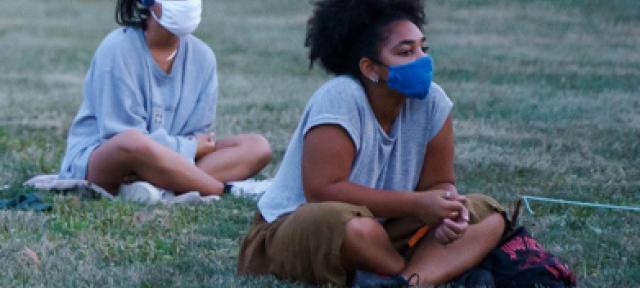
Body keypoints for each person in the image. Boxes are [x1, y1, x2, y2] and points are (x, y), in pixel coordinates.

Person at [237, 0, 506, 286]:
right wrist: (417, 204)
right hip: (301, 228)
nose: (422, 60)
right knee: (351, 226)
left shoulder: (433, 101)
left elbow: (439, 184)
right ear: (370, 68)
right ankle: (421, 269)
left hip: (384, 228)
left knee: (488, 213)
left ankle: (407, 282)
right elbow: (323, 191)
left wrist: (450, 212)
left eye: (422, 49)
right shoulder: (341, 96)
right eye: (406, 51)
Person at [58, 0, 272, 198]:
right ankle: (224, 189)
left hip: (174, 159)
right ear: (150, 3)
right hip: (106, 159)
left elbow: (199, 138)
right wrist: (189, 148)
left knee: (257, 147)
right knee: (131, 142)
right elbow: (121, 136)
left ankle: (152, 186)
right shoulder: (117, 50)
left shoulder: (203, 58)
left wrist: (188, 148)